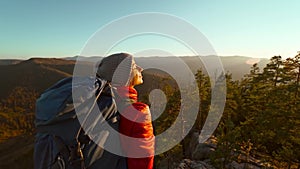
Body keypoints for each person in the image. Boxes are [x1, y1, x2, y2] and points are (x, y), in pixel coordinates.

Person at [97, 53, 155, 169]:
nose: (140, 68)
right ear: (124, 77)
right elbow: (142, 161)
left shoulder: (95, 102)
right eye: (134, 66)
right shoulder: (138, 112)